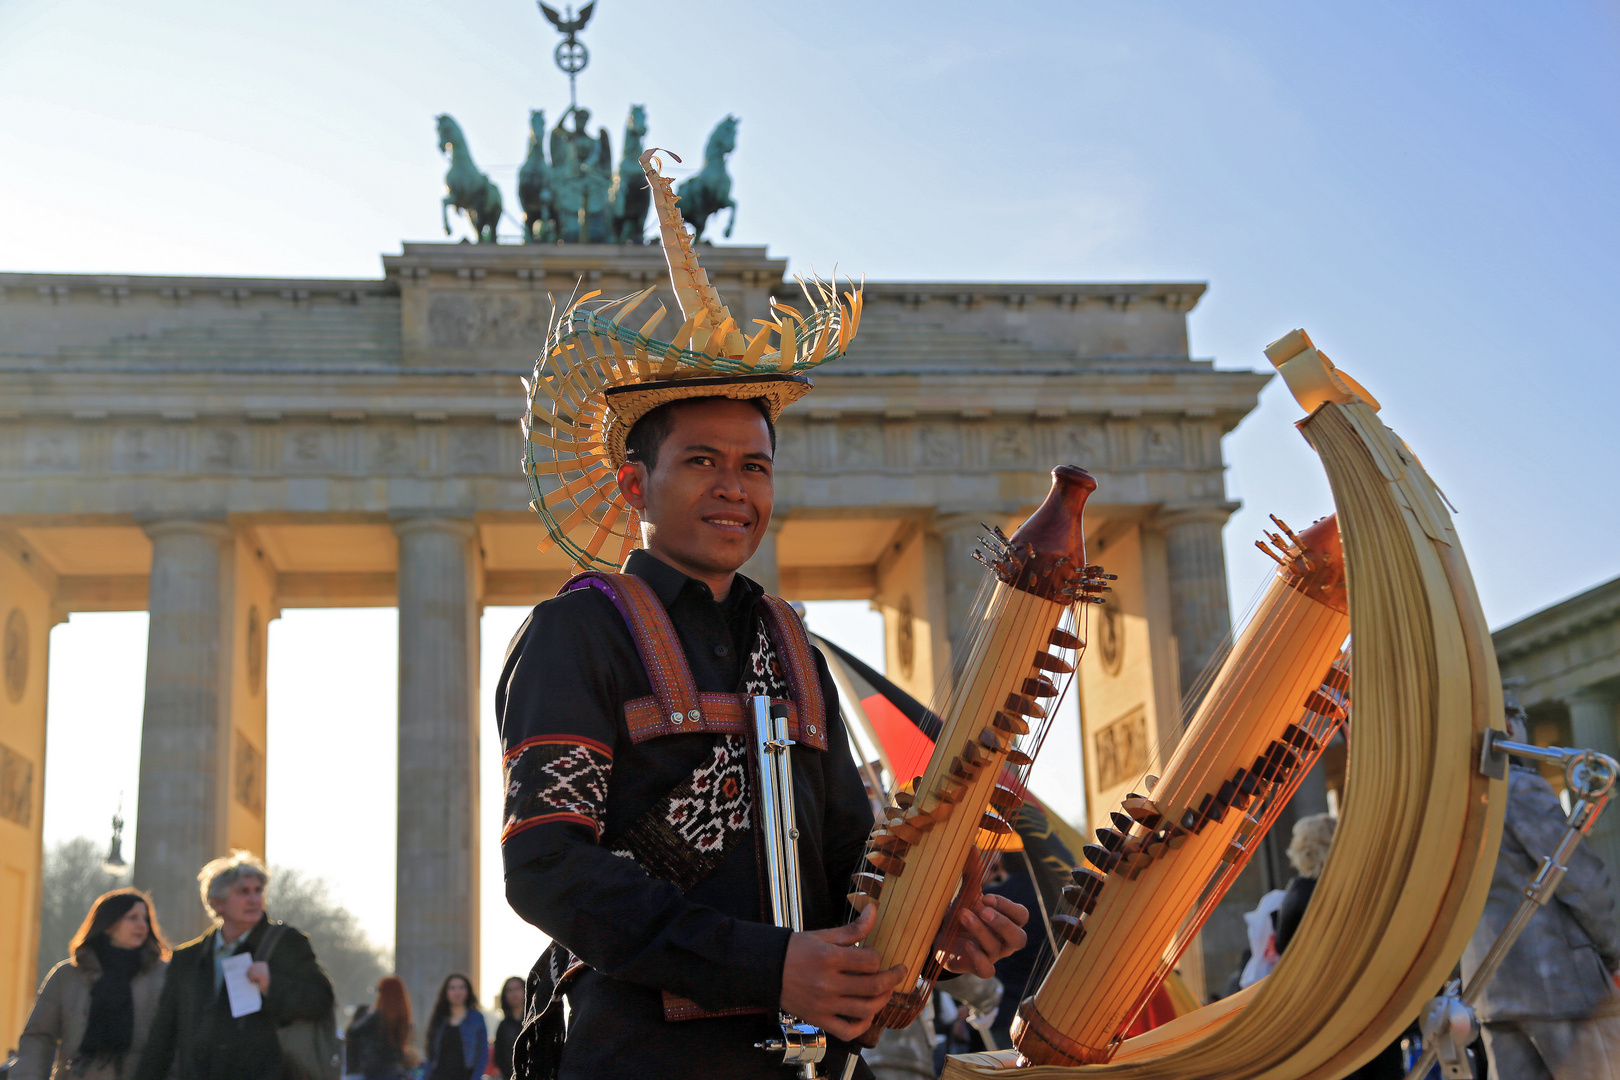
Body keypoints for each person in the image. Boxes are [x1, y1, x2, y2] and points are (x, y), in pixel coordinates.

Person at [498, 167, 1027, 1080]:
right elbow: (548, 866)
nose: (734, 489)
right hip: (637, 1059)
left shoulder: (792, 647)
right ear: (635, 484)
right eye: (701, 461)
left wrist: (933, 920)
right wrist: (773, 964)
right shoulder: (574, 633)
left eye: (755, 466)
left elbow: (843, 860)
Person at [1462, 701, 1620, 1078]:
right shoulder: (1517, 788)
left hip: (1491, 991)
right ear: (1509, 727)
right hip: (1562, 986)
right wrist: (1614, 950)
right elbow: (1579, 880)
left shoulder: (1452, 805)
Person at [135, 850, 336, 1080]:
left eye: (258, 891)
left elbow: (321, 999)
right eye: (243, 892)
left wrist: (273, 985)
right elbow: (164, 1033)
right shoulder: (187, 958)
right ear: (217, 904)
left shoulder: (287, 943)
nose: (254, 899)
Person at [16, 888, 170, 1079]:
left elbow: (178, 1041)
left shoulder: (165, 976)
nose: (142, 926)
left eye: (145, 919)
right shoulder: (67, 976)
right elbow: (39, 1036)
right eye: (132, 918)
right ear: (108, 924)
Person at [344, 976, 415, 1080]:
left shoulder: (376, 1016)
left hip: (370, 1071)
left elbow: (351, 1032)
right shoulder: (402, 1020)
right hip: (389, 1072)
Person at [421, 975, 486, 1080]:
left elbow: (482, 1053)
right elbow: (431, 1055)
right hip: (438, 1076)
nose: (457, 992)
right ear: (446, 992)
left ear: (468, 991)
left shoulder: (476, 1018)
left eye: (461, 987)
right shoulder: (439, 1019)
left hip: (465, 1075)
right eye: (452, 988)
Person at [491, 977, 524, 1080]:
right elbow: (498, 1056)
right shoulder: (503, 1025)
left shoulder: (537, 1022)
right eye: (510, 990)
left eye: (518, 989)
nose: (514, 994)